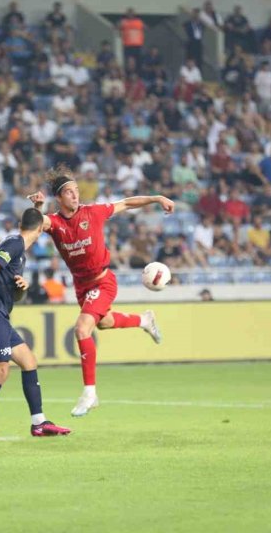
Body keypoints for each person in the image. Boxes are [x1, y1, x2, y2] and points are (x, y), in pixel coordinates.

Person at [28, 165, 174, 417]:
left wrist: (156, 197)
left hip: (103, 281)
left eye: (76, 190)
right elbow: (32, 227)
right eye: (70, 192)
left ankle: (90, 393)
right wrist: (38, 208)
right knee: (104, 322)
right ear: (59, 198)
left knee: (82, 328)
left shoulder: (93, 212)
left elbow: (126, 204)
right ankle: (144, 320)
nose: (76, 195)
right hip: (82, 287)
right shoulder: (55, 222)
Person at [0, 209, 71, 440]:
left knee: (28, 361)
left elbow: (10, 292)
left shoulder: (17, 247)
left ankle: (39, 422)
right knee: (1, 370)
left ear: (20, 224)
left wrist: (19, 288)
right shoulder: (15, 244)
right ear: (41, 230)